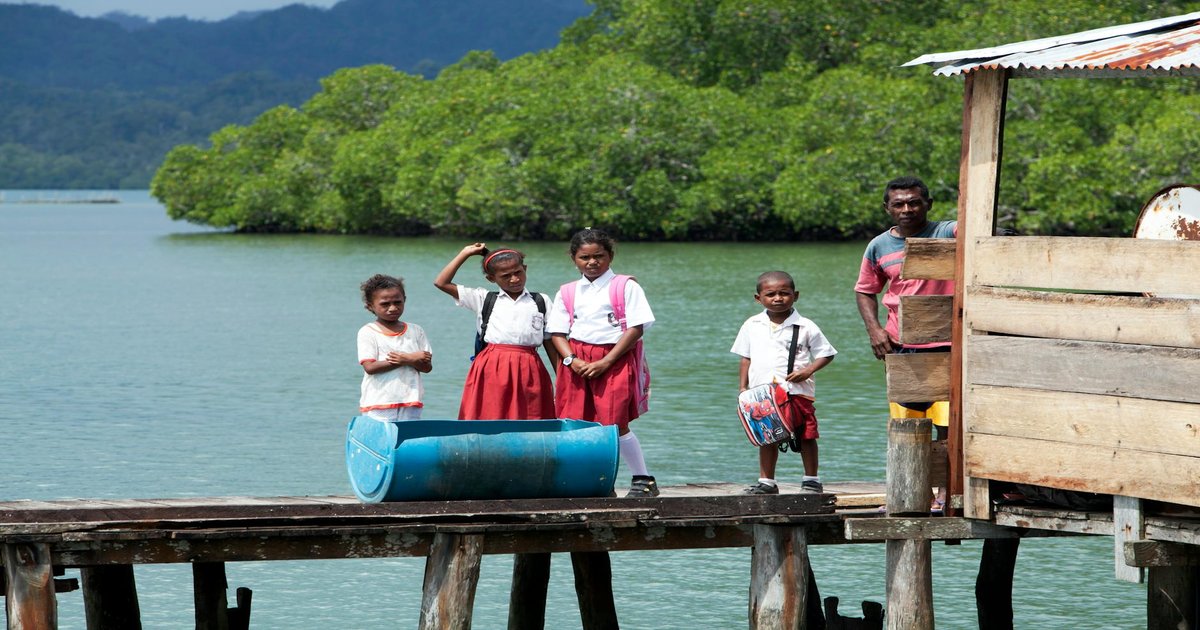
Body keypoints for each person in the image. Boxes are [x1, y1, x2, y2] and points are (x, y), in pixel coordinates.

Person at [854, 176, 956, 512]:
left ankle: (944, 495)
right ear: (887, 208)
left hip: (946, 344)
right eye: (899, 204)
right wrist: (875, 330)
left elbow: (973, 231)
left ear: (929, 203)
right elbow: (865, 290)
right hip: (901, 345)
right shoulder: (879, 246)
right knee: (906, 423)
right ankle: (910, 494)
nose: (907, 209)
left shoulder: (945, 232)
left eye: (914, 202)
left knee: (946, 424)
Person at [547, 228, 658, 497]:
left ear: (610, 256)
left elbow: (635, 328)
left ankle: (643, 479)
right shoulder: (568, 291)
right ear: (574, 258)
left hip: (615, 358)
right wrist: (571, 359)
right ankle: (589, 482)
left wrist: (606, 362)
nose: (592, 262)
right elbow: (557, 333)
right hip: (576, 361)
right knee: (574, 422)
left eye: (599, 256)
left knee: (614, 423)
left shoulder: (625, 286)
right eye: (585, 257)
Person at [731, 271, 837, 495]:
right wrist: (743, 388)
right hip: (762, 393)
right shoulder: (752, 324)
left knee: (806, 435)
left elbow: (826, 354)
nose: (778, 298)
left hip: (796, 391)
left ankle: (811, 480)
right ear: (758, 298)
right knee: (766, 437)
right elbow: (745, 358)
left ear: (795, 295)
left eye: (784, 293)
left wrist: (807, 370)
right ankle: (766, 482)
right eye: (770, 294)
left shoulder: (806, 326)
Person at [433, 243, 558, 420]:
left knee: (531, 414)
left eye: (518, 272)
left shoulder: (540, 301)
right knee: (490, 414)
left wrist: (562, 378)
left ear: (525, 269)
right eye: (506, 276)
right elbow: (441, 282)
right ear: (491, 279)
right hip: (492, 366)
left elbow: (550, 342)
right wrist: (466, 253)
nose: (514, 279)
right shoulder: (484, 298)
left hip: (529, 367)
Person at [357, 274, 432, 421]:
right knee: (381, 441)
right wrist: (407, 358)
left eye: (398, 302)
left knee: (407, 439)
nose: (392, 308)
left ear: (405, 300)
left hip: (410, 400)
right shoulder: (368, 331)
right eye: (385, 304)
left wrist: (408, 359)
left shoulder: (416, 331)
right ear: (370, 306)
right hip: (379, 401)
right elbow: (370, 367)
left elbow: (426, 367)